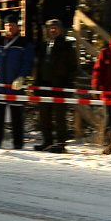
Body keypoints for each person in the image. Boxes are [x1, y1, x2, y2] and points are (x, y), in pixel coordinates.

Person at [0, 13, 35, 149]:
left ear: (17, 27)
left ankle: (18, 144)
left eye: (12, 25)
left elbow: (28, 63)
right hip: (0, 85)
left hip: (16, 84)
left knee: (17, 117)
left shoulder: (24, 43)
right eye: (7, 25)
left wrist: (22, 77)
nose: (9, 28)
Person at [36, 18, 78, 152]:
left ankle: (60, 143)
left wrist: (68, 83)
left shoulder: (67, 46)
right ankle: (47, 141)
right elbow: (38, 66)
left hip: (60, 86)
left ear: (61, 30)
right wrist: (36, 83)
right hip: (44, 85)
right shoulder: (43, 46)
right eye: (50, 28)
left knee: (60, 116)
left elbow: (73, 67)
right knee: (44, 116)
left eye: (56, 28)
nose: (53, 30)